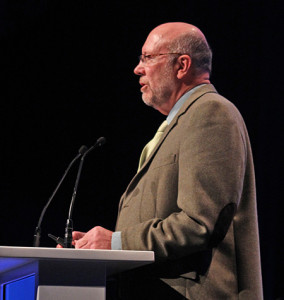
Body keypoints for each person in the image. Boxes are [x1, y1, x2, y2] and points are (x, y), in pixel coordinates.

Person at [69, 22, 263, 299]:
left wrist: (116, 242)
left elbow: (198, 224)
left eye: (147, 57)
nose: (138, 68)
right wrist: (94, 248)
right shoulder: (180, 124)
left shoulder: (211, 113)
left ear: (182, 65)